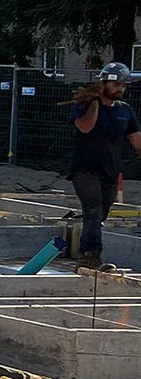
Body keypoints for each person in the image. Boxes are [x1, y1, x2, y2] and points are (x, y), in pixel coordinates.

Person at [69, 62, 141, 270]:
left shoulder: (125, 111)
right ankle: (90, 256)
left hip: (109, 171)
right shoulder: (85, 106)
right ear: (103, 84)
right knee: (93, 210)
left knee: (101, 215)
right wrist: (94, 103)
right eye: (116, 84)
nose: (120, 88)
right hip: (84, 169)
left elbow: (136, 141)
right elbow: (84, 127)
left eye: (123, 85)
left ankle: (86, 251)